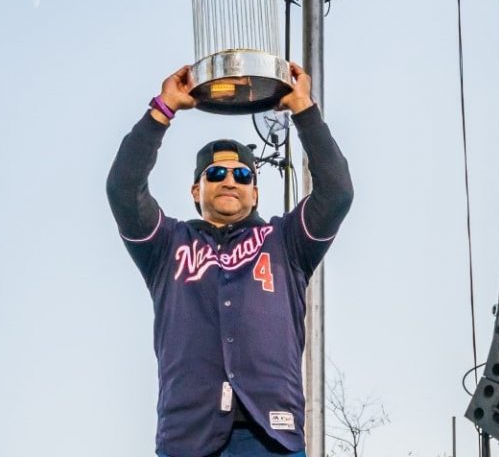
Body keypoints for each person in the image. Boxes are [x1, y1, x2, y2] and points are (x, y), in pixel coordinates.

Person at [106, 63, 353, 457]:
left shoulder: (285, 240)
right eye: (216, 172)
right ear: (195, 189)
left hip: (273, 437)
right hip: (188, 438)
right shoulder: (166, 244)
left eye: (242, 176)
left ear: (255, 192)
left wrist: (304, 109)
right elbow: (123, 188)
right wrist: (163, 108)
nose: (229, 181)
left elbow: (337, 192)